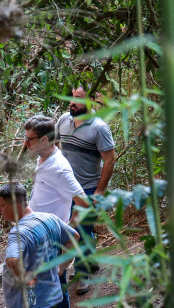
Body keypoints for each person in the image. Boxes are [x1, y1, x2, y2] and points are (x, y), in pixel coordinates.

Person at [0, 114, 88, 308]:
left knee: (58, 286)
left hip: (50, 235)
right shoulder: (43, 158)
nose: (25, 144)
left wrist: (65, 227)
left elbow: (84, 203)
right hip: (33, 230)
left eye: (29, 139)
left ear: (45, 139)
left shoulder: (59, 168)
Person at [55, 87, 116, 294]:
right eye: (70, 96)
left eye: (77, 98)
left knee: (81, 231)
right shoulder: (64, 120)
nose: (71, 102)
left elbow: (109, 160)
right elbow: (54, 146)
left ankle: (81, 274)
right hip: (64, 189)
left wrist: (99, 192)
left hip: (87, 189)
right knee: (66, 229)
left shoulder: (99, 128)